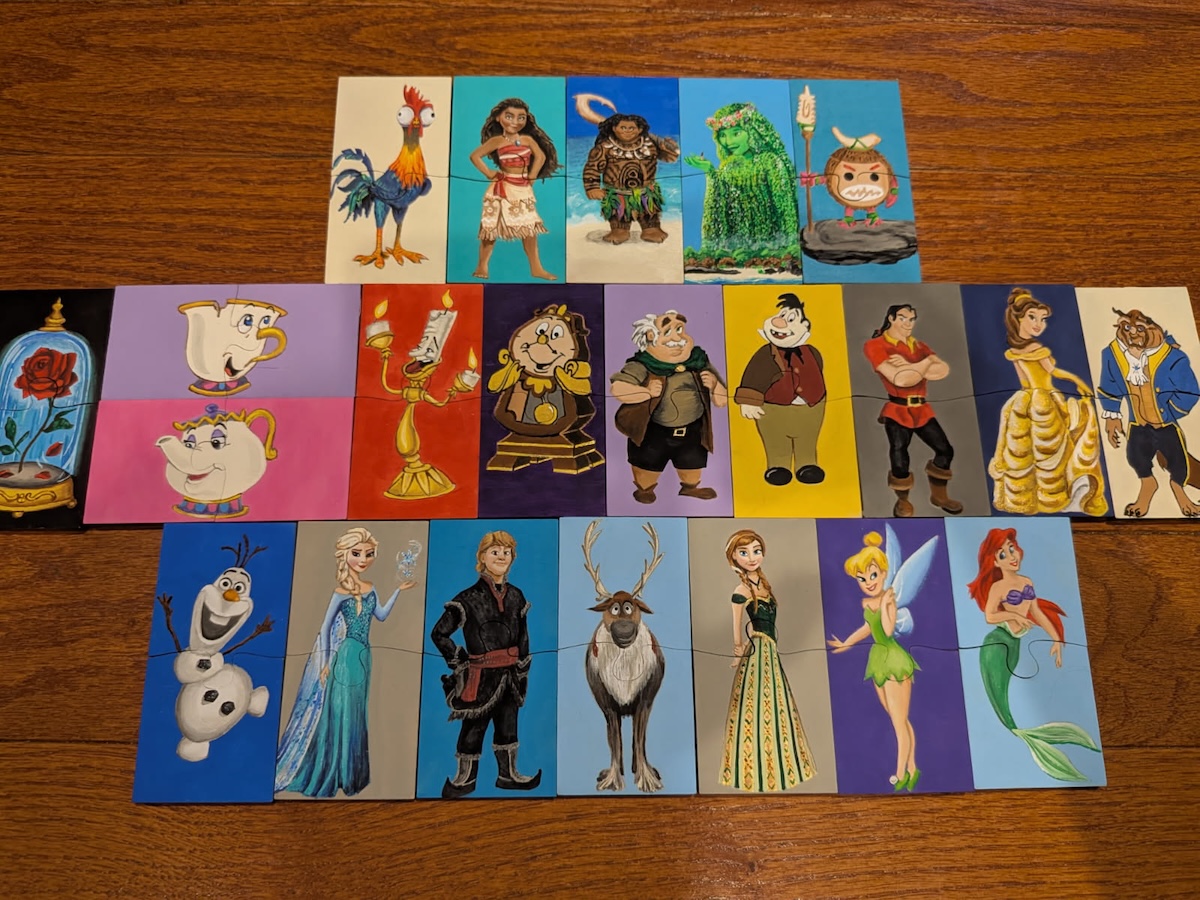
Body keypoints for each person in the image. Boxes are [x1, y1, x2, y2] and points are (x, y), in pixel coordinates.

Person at [274, 527, 417, 798]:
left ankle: (351, 774)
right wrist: (325, 662)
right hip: (344, 655)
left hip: (364, 655)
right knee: (339, 711)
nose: (363, 559)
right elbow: (326, 627)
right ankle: (332, 771)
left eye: (369, 554)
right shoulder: (340, 592)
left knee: (356, 712)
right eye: (357, 553)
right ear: (345, 555)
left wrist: (398, 590)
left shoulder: (371, 588)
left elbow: (382, 615)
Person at [966, 528, 1100, 781]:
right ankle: (1028, 741)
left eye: (1012, 549)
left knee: (1009, 698)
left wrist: (1056, 638)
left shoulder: (1026, 582)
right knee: (1000, 699)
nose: (1011, 556)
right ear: (995, 562)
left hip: (1015, 644)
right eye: (1003, 554)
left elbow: (1036, 611)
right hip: (997, 643)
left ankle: (1036, 740)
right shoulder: (998, 587)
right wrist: (1014, 615)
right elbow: (990, 616)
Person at [430, 531, 541, 798]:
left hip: (511, 676)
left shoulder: (516, 596)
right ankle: (464, 780)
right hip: (479, 678)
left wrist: (523, 665)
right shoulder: (466, 598)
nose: (501, 557)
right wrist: (458, 659)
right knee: (473, 728)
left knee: (508, 726)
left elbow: (523, 635)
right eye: (495, 552)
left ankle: (508, 775)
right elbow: (439, 634)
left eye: (506, 552)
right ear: (482, 557)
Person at [988, 287, 1108, 515]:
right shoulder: (1036, 348)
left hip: (1025, 400)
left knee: (1031, 453)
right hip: (1043, 400)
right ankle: (1060, 495)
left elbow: (1025, 382)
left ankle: (1031, 500)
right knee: (1055, 448)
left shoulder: (1015, 351)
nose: (1039, 324)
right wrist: (1078, 382)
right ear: (1018, 319)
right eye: (1032, 317)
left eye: (1042, 319)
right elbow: (1053, 372)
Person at [719, 530, 816, 792]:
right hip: (758, 652)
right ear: (734, 558)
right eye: (744, 552)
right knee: (755, 709)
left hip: (770, 652)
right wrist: (738, 651)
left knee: (776, 707)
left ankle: (780, 768)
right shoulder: (741, 591)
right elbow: (738, 627)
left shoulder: (764, 585)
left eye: (756, 550)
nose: (751, 557)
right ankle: (753, 771)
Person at [827, 532, 920, 791]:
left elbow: (888, 631)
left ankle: (900, 773)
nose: (868, 582)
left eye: (873, 575)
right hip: (878, 660)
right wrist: (846, 643)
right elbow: (868, 628)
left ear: (883, 573)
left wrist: (888, 605)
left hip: (894, 661)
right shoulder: (868, 603)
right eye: (862, 578)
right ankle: (913, 767)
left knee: (899, 722)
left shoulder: (889, 598)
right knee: (898, 718)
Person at [611, 310, 727, 503]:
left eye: (680, 329)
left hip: (692, 430)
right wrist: (646, 392)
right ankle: (645, 489)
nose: (677, 338)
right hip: (654, 431)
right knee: (647, 465)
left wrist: (715, 385)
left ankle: (690, 488)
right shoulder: (642, 364)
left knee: (691, 463)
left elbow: (722, 401)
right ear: (650, 337)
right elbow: (617, 388)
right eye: (667, 332)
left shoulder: (698, 360)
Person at [863, 303, 963, 516]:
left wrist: (911, 366)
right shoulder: (875, 345)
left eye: (911, 319)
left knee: (945, 449)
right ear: (891, 318)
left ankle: (939, 496)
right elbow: (900, 379)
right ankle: (903, 501)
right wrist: (925, 364)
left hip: (922, 409)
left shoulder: (919, 346)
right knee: (900, 455)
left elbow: (943, 370)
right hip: (897, 409)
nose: (908, 323)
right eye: (903, 318)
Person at [683, 102, 800, 257]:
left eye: (736, 133)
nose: (729, 142)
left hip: (771, 246)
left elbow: (785, 208)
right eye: (723, 135)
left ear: (752, 132)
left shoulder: (770, 161)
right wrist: (710, 171)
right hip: (737, 248)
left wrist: (788, 245)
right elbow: (719, 203)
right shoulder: (727, 167)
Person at [734, 294, 826, 486]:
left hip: (811, 408)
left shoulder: (812, 352)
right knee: (775, 440)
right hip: (774, 409)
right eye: (781, 315)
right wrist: (748, 402)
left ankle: (807, 465)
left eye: (791, 318)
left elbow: (817, 370)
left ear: (804, 327)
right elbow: (753, 376)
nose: (780, 322)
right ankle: (778, 467)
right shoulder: (765, 354)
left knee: (808, 438)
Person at [469, 98, 559, 281]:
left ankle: (536, 268)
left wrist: (532, 176)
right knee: (490, 229)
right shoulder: (497, 141)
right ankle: (482, 265)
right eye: (509, 116)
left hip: (522, 188)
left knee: (529, 229)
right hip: (502, 188)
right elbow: (475, 156)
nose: (515, 121)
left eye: (521, 117)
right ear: (498, 118)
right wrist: (489, 173)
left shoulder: (527, 139)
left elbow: (541, 157)